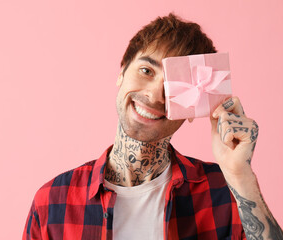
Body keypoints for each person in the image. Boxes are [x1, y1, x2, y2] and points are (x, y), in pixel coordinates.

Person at [23, 13, 283, 240]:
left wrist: (240, 175)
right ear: (122, 72)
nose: (156, 95)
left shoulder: (223, 192)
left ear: (196, 107)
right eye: (147, 71)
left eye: (175, 86)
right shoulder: (52, 202)